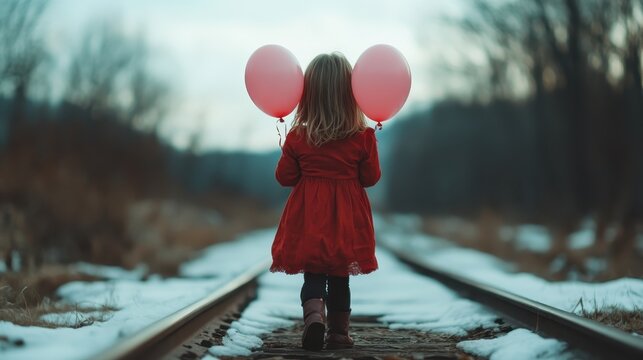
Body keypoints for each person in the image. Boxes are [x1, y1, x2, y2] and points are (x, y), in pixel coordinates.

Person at [270, 52, 381, 351]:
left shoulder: (298, 137)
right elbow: (371, 178)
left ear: (308, 94)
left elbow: (285, 177)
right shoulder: (362, 137)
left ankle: (314, 316)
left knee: (314, 272)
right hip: (347, 220)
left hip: (308, 218)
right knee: (340, 277)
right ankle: (339, 334)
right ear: (351, 93)